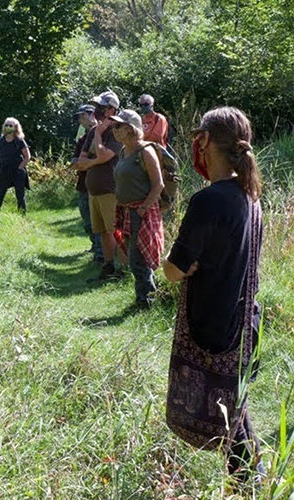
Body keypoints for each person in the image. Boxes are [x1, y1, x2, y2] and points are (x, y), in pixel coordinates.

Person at [162, 107, 264, 483]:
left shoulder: (208, 201)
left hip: (211, 326)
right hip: (244, 324)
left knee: (230, 417)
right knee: (236, 410)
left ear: (203, 142)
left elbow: (173, 270)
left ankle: (250, 484)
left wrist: (174, 264)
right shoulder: (250, 197)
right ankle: (254, 481)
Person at [110, 109, 164, 309]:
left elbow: (158, 184)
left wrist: (142, 208)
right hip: (127, 212)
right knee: (134, 258)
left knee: (139, 258)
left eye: (119, 127)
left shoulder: (146, 151)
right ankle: (144, 298)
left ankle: (147, 301)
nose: (114, 130)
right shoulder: (124, 151)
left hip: (141, 213)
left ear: (131, 129)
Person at [73, 91, 123, 279]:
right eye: (97, 107)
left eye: (102, 107)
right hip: (93, 189)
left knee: (114, 231)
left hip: (111, 189)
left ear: (112, 109)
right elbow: (80, 160)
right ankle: (108, 266)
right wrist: (94, 160)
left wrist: (94, 156)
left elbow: (104, 155)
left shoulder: (117, 130)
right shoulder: (93, 131)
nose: (98, 111)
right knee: (102, 232)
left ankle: (121, 268)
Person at [71, 104, 103, 262]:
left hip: (99, 183)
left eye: (83, 116)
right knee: (87, 218)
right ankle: (95, 247)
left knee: (98, 221)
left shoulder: (103, 134)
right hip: (84, 183)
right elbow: (75, 160)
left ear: (92, 115)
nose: (80, 120)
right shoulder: (83, 137)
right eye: (80, 117)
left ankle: (101, 254)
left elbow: (102, 159)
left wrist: (87, 162)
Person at [0, 117, 31, 213]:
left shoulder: (19, 141)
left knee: (20, 194)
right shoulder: (0, 141)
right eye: (6, 125)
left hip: (18, 171)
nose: (8, 127)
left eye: (10, 125)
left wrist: (19, 168)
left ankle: (22, 214)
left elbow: (27, 156)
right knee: (0, 192)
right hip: (4, 170)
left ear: (15, 127)